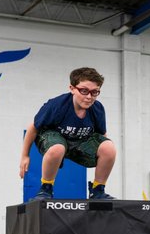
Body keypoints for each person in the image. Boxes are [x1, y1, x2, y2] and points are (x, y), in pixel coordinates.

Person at [19, 67, 116, 200]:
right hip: (53, 139)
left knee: (109, 147)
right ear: (72, 88)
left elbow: (102, 136)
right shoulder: (56, 105)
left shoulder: (97, 108)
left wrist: (107, 157)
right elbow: (33, 127)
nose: (89, 97)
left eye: (94, 92)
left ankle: (97, 190)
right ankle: (46, 188)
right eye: (84, 91)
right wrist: (25, 156)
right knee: (58, 148)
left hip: (80, 142)